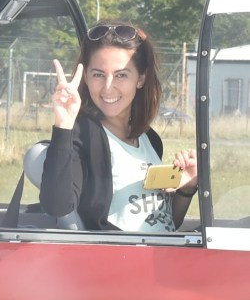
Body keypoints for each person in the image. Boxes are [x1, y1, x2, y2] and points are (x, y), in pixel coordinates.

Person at [40, 21, 197, 232]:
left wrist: (187, 188)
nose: (108, 87)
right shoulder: (82, 135)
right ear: (85, 77)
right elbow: (57, 206)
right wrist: (64, 125)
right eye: (98, 74)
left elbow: (163, 224)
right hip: (122, 262)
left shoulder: (150, 139)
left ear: (140, 79)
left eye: (121, 75)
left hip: (162, 257)